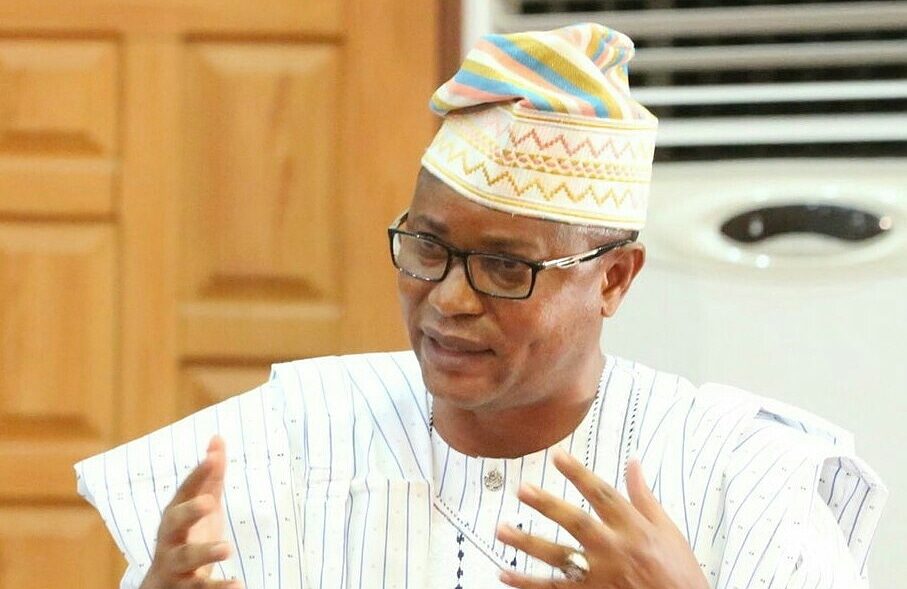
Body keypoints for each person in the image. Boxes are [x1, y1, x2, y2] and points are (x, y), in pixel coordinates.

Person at [75, 23, 886, 589]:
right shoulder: (279, 444)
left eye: (504, 266)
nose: (449, 299)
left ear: (613, 278)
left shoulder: (740, 475)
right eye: (428, 248)